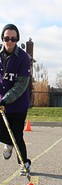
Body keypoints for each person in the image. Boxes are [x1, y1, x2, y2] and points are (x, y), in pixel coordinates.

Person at [0, 24, 32, 176]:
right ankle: (8, 143)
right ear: (3, 38)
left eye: (13, 38)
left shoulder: (24, 58)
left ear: (17, 39)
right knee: (5, 133)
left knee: (17, 134)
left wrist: (5, 100)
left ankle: (24, 163)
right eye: (7, 38)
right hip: (1, 103)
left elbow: (21, 85)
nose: (10, 41)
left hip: (18, 104)